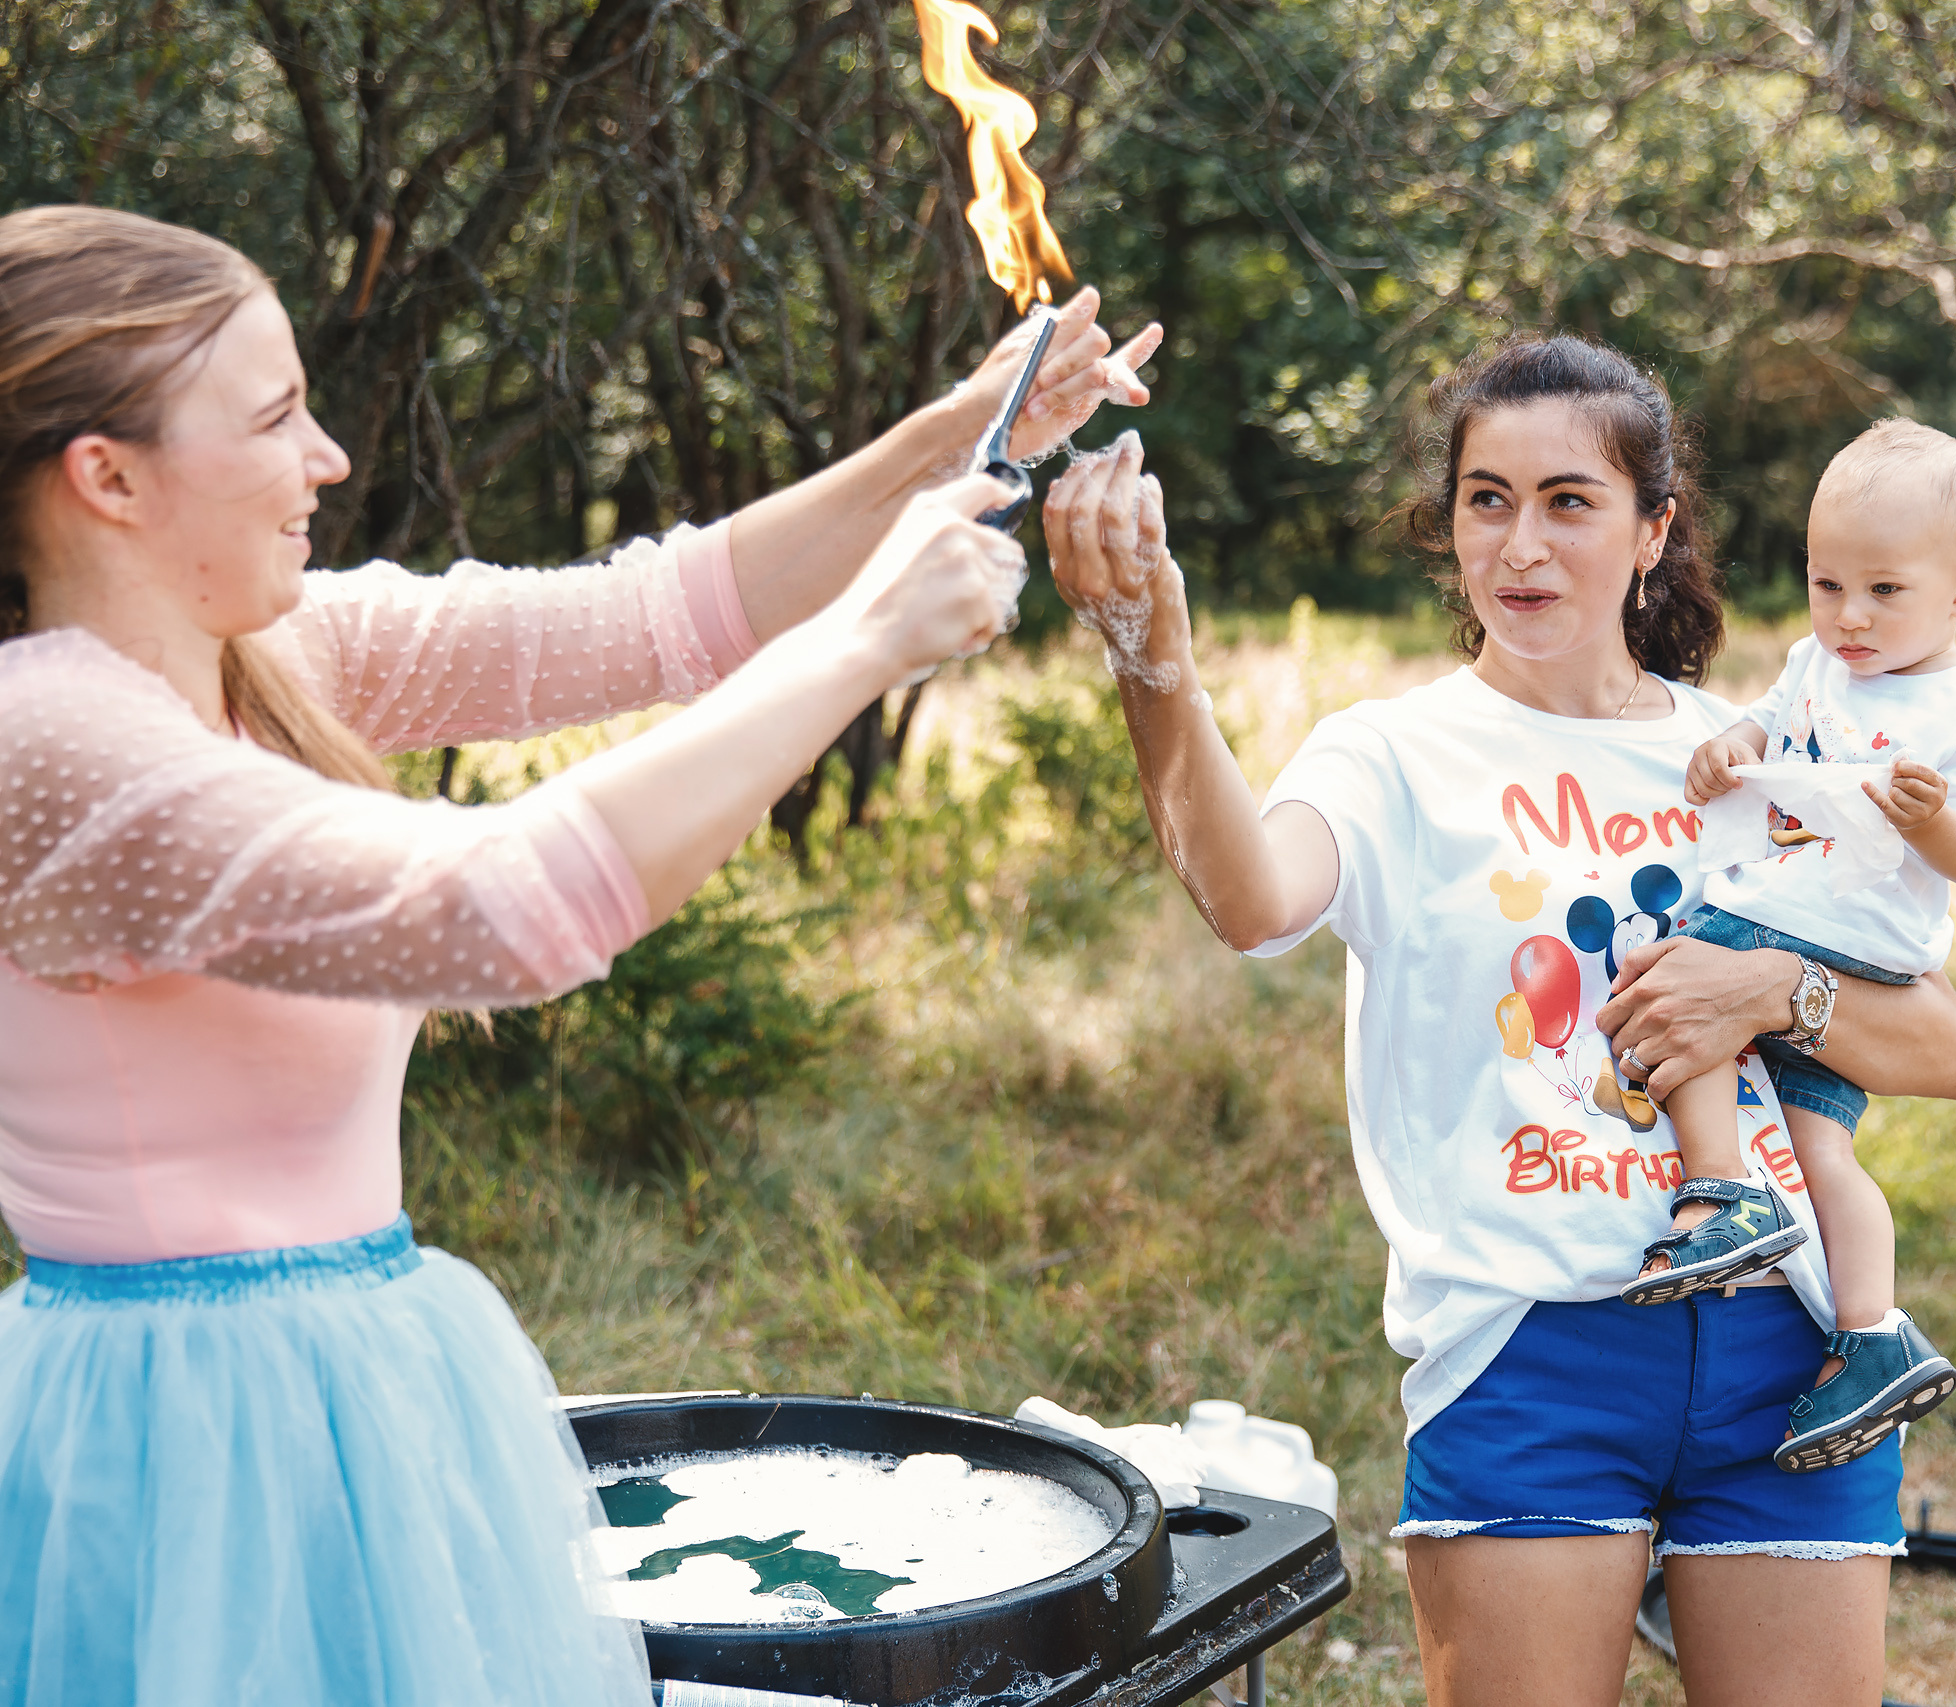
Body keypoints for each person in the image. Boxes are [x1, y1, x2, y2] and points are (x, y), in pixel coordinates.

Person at [0, 204, 1156, 1706]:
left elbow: (659, 616)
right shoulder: (49, 735)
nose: (329, 456)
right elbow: (499, 909)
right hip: (182, 1446)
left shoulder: (255, 655)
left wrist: (946, 439)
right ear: (108, 477)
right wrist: (866, 644)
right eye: (279, 417)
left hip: (354, 1387)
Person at [1041, 339, 1956, 1707]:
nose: (1521, 544)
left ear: (1654, 528)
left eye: (1568, 500)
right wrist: (1151, 656)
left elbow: (1945, 1047)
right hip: (1533, 1351)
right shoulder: (1395, 754)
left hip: (1793, 1338)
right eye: (1487, 499)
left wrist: (1777, 990)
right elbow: (1248, 897)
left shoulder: (1757, 748)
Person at [1623, 419, 1956, 1475]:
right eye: (1824, 584)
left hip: (1838, 932)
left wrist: (1928, 819)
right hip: (1819, 931)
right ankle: (1872, 1334)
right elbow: (1762, 722)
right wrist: (1731, 748)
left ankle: (1721, 1194)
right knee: (1821, 1142)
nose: (1848, 617)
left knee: (1680, 970)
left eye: (1883, 592)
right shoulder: (1815, 665)